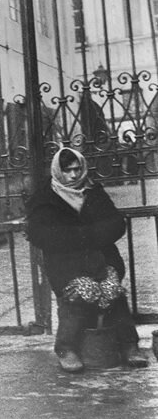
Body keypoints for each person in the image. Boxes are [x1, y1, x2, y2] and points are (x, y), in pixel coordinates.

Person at [26, 145, 148, 373]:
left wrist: (85, 236)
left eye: (76, 169)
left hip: (101, 260)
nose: (73, 175)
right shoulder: (45, 197)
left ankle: (129, 345)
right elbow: (38, 234)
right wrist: (84, 236)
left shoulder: (93, 191)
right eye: (67, 170)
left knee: (113, 290)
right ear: (58, 171)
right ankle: (66, 349)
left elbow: (116, 224)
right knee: (78, 294)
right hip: (65, 265)